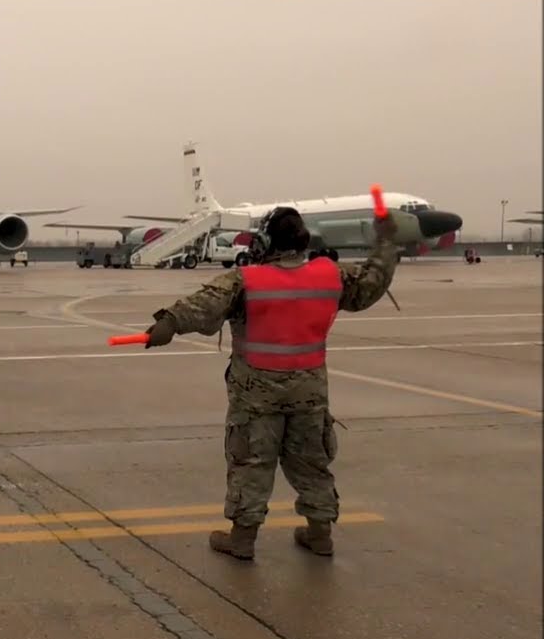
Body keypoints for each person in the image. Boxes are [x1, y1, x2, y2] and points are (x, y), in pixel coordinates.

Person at [142, 206, 399, 559]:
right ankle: (320, 534)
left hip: (257, 394)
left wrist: (168, 323)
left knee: (252, 462)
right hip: (309, 391)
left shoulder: (247, 280)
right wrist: (385, 241)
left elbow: (202, 306)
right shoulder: (330, 276)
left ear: (265, 241)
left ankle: (243, 540)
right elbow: (371, 284)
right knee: (311, 462)